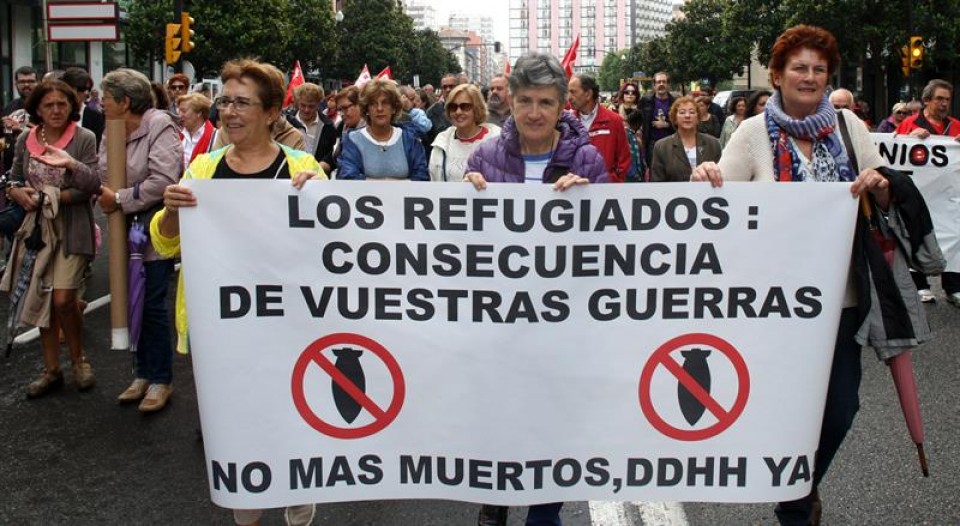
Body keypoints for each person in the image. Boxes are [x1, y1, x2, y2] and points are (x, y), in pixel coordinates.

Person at [692, 25, 915, 526]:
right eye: (799, 68)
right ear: (777, 75)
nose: (810, 77)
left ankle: (801, 488)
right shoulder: (752, 134)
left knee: (840, 408)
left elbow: (885, 190)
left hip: (842, 299)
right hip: (772, 305)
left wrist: (879, 186)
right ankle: (795, 505)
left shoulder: (849, 128)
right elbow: (721, 201)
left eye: (819, 69)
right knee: (783, 410)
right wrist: (705, 179)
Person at [151, 58, 325, 526]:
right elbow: (165, 241)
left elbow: (334, 249)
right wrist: (170, 211)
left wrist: (319, 201)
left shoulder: (302, 166)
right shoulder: (203, 167)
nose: (228, 111)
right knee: (236, 424)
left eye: (242, 102)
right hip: (222, 326)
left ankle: (297, 484)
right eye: (225, 101)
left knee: (292, 409)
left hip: (290, 323)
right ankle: (246, 508)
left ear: (271, 113)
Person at [464, 51, 607, 526]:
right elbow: (455, 245)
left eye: (545, 102)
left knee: (552, 423)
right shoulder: (484, 155)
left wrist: (589, 199)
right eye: (524, 100)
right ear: (510, 101)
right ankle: (496, 497)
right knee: (501, 415)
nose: (534, 113)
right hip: (499, 320)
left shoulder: (586, 158)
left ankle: (545, 511)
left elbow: (612, 246)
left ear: (563, 105)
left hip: (561, 323)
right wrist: (463, 198)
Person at [3, 80, 100, 398]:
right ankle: (51, 369)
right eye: (49, 105)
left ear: (71, 106)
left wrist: (51, 195)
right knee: (43, 299)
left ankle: (79, 360)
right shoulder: (25, 140)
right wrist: (16, 191)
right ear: (37, 110)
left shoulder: (83, 138)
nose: (57, 110)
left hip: (72, 229)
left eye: (62, 104)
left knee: (63, 299)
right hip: (36, 232)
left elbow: (91, 184)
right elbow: (15, 176)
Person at [99, 69, 183, 413]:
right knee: (130, 302)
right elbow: (104, 171)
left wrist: (120, 198)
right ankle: (141, 373)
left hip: (151, 230)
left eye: (106, 98)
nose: (100, 103)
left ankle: (161, 378)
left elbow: (163, 179)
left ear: (125, 102)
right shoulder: (111, 128)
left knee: (151, 304)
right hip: (122, 228)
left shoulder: (160, 125)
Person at [896, 79, 960, 305]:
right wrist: (911, 139)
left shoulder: (956, 127)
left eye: (947, 100)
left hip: (947, 197)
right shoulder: (910, 124)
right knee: (915, 234)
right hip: (918, 194)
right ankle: (920, 284)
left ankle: (953, 285)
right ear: (926, 100)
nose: (944, 104)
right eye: (939, 99)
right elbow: (895, 151)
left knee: (954, 234)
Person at [338, 78, 428, 181]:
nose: (379, 108)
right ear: (366, 109)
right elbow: (349, 178)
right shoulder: (352, 140)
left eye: (385, 103)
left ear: (394, 108)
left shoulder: (410, 138)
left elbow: (421, 178)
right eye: (373, 103)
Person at [428, 84, 500, 181]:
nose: (458, 112)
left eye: (465, 106)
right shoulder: (442, 143)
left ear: (477, 108)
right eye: (453, 107)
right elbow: (435, 183)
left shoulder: (497, 139)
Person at [568, 74, 632, 182]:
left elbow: (624, 159)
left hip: (606, 193)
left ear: (588, 94)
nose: (568, 97)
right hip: (575, 192)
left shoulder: (614, 121)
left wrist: (611, 182)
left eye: (573, 92)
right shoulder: (567, 123)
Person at [651, 96, 721, 182]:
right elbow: (657, 183)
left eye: (692, 112)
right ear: (675, 118)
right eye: (682, 112)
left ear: (698, 118)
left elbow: (721, 177)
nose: (687, 116)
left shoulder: (713, 144)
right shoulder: (661, 147)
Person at [285, 83, 337, 163]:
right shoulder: (286, 122)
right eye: (303, 105)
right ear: (298, 102)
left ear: (318, 104)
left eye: (311, 106)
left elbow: (332, 153)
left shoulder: (328, 126)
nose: (306, 110)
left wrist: (325, 164)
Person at [319, 86, 364, 176]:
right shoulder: (342, 126)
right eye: (340, 110)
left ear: (360, 105)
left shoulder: (372, 131)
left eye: (346, 108)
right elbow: (334, 157)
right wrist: (317, 169)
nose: (342, 114)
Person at [3, 66, 40, 173]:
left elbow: (48, 133)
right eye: (22, 82)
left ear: (37, 83)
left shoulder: (45, 106)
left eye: (31, 81)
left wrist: (21, 128)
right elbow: (5, 139)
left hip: (37, 167)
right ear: (16, 84)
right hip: (11, 168)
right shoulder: (10, 107)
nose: (26, 85)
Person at [60, 67, 105, 148]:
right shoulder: (54, 111)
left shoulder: (94, 115)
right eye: (82, 89)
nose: (86, 93)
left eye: (89, 89)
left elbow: (96, 147)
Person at [640, 71, 676, 168]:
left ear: (668, 84)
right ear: (654, 85)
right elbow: (635, 119)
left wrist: (667, 124)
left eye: (664, 82)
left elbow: (681, 125)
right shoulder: (646, 101)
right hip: (652, 144)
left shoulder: (676, 103)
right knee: (655, 174)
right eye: (658, 82)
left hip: (672, 144)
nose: (661, 84)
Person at [177, 92, 216, 167]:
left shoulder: (214, 137)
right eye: (179, 111)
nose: (179, 115)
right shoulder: (178, 135)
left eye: (184, 111)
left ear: (199, 113)